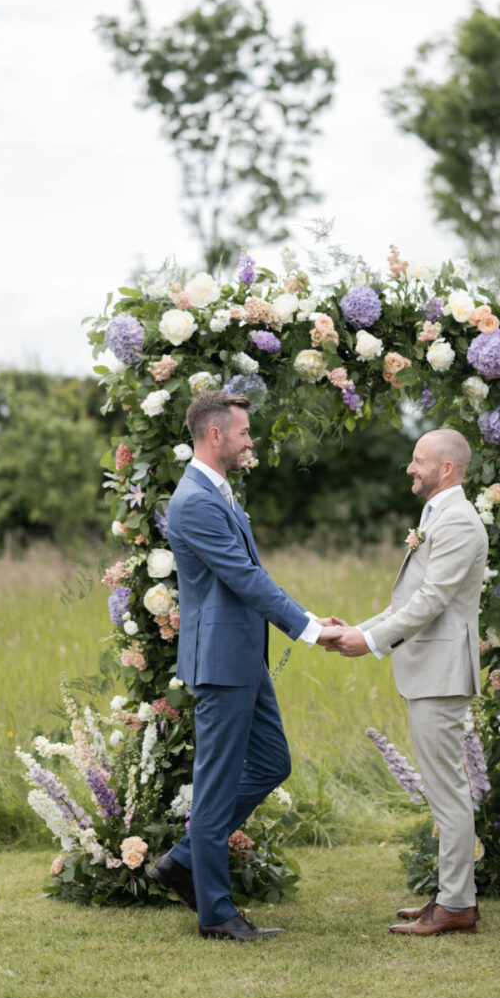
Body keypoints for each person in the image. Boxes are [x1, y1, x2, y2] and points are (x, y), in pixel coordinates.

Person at [149, 391, 341, 941]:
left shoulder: (218, 494)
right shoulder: (196, 501)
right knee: (214, 789)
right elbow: (246, 578)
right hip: (222, 662)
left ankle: (184, 859)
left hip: (242, 657)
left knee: (271, 763)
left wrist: (307, 616)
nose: (250, 441)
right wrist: (311, 630)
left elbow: (249, 576)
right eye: (244, 433)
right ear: (216, 435)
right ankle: (215, 913)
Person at [328, 428, 488, 935]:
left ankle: (458, 905)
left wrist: (373, 644)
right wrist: (358, 630)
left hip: (441, 674)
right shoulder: (438, 515)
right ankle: (450, 896)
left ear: (446, 469)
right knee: (445, 788)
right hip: (428, 670)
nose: (409, 469)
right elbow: (407, 604)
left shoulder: (459, 521)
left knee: (447, 792)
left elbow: (431, 601)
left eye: (418, 461)